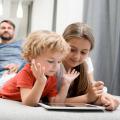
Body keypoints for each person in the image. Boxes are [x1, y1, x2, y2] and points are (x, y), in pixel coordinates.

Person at [0, 30, 80, 106]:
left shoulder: (51, 77)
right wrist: (40, 82)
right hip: (4, 97)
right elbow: (28, 103)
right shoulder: (26, 72)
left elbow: (55, 102)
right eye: (50, 61)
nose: (56, 67)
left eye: (59, 61)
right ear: (32, 57)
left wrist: (65, 85)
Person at [56, 22, 119, 111]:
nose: (77, 57)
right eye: (72, 49)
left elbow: (91, 85)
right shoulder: (54, 65)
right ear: (62, 44)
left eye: (83, 52)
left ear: (88, 52)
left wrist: (104, 99)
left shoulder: (85, 63)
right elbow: (52, 101)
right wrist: (87, 98)